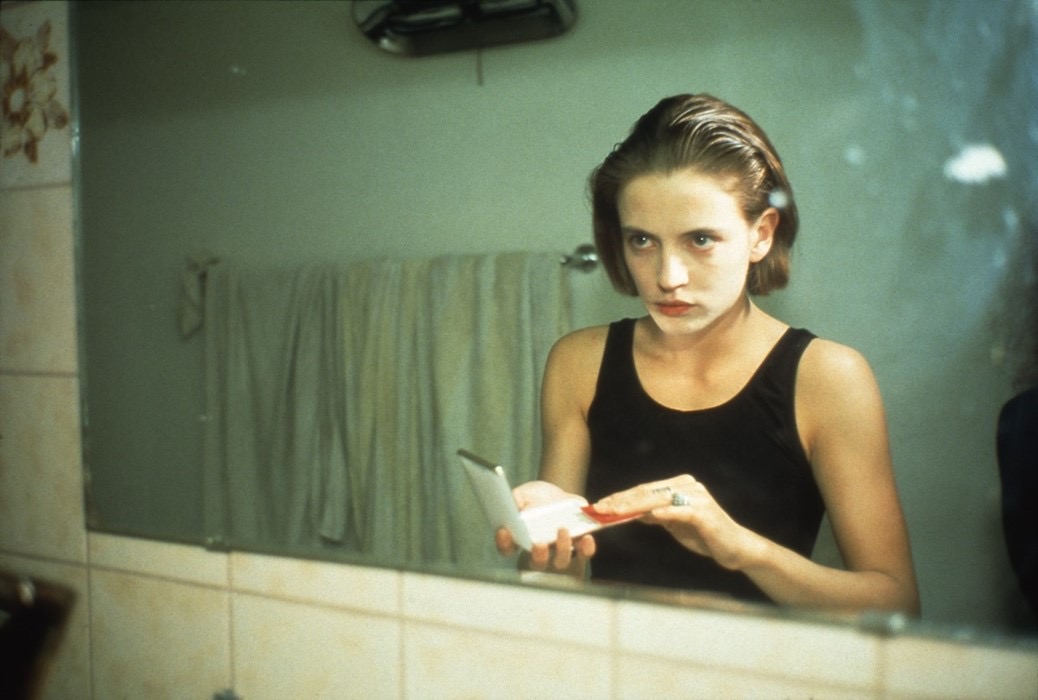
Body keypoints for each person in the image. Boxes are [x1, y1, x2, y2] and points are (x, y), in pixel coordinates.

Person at [497, 93, 920, 615]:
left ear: (761, 234)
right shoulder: (578, 364)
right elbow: (554, 589)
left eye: (700, 239)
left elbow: (895, 605)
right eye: (642, 242)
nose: (667, 277)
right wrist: (546, 556)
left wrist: (741, 549)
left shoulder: (828, 377)